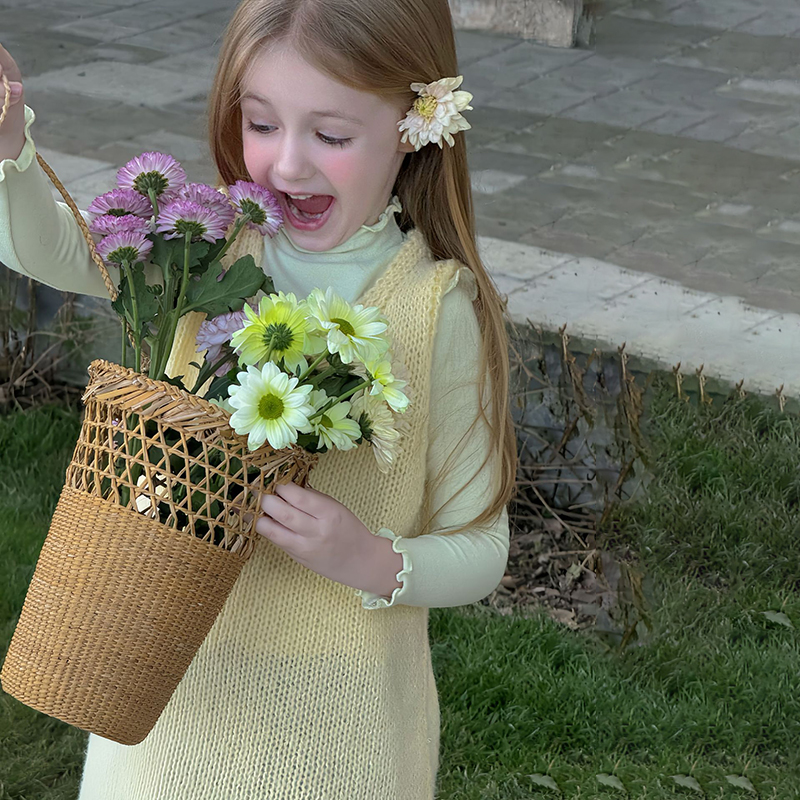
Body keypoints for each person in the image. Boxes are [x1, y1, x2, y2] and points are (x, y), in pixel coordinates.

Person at [0, 0, 517, 796]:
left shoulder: (435, 309)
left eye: (331, 136)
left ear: (418, 125)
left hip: (339, 739)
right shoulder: (205, 245)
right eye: (262, 124)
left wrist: (372, 560)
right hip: (165, 708)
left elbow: (482, 545)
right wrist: (12, 150)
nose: (286, 166)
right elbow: (58, 251)